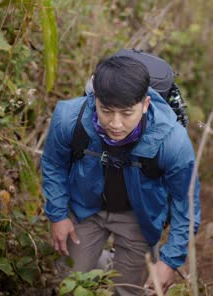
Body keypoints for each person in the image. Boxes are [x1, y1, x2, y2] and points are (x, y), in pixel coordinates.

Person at [41, 53, 201, 295]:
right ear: (95, 98)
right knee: (69, 283)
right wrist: (58, 215)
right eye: (106, 110)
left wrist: (169, 261)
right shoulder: (68, 117)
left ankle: (119, 262)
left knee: (128, 290)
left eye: (127, 113)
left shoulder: (172, 141)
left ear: (145, 104)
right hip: (85, 208)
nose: (115, 124)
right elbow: (54, 163)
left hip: (139, 217)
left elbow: (185, 204)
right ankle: (105, 260)